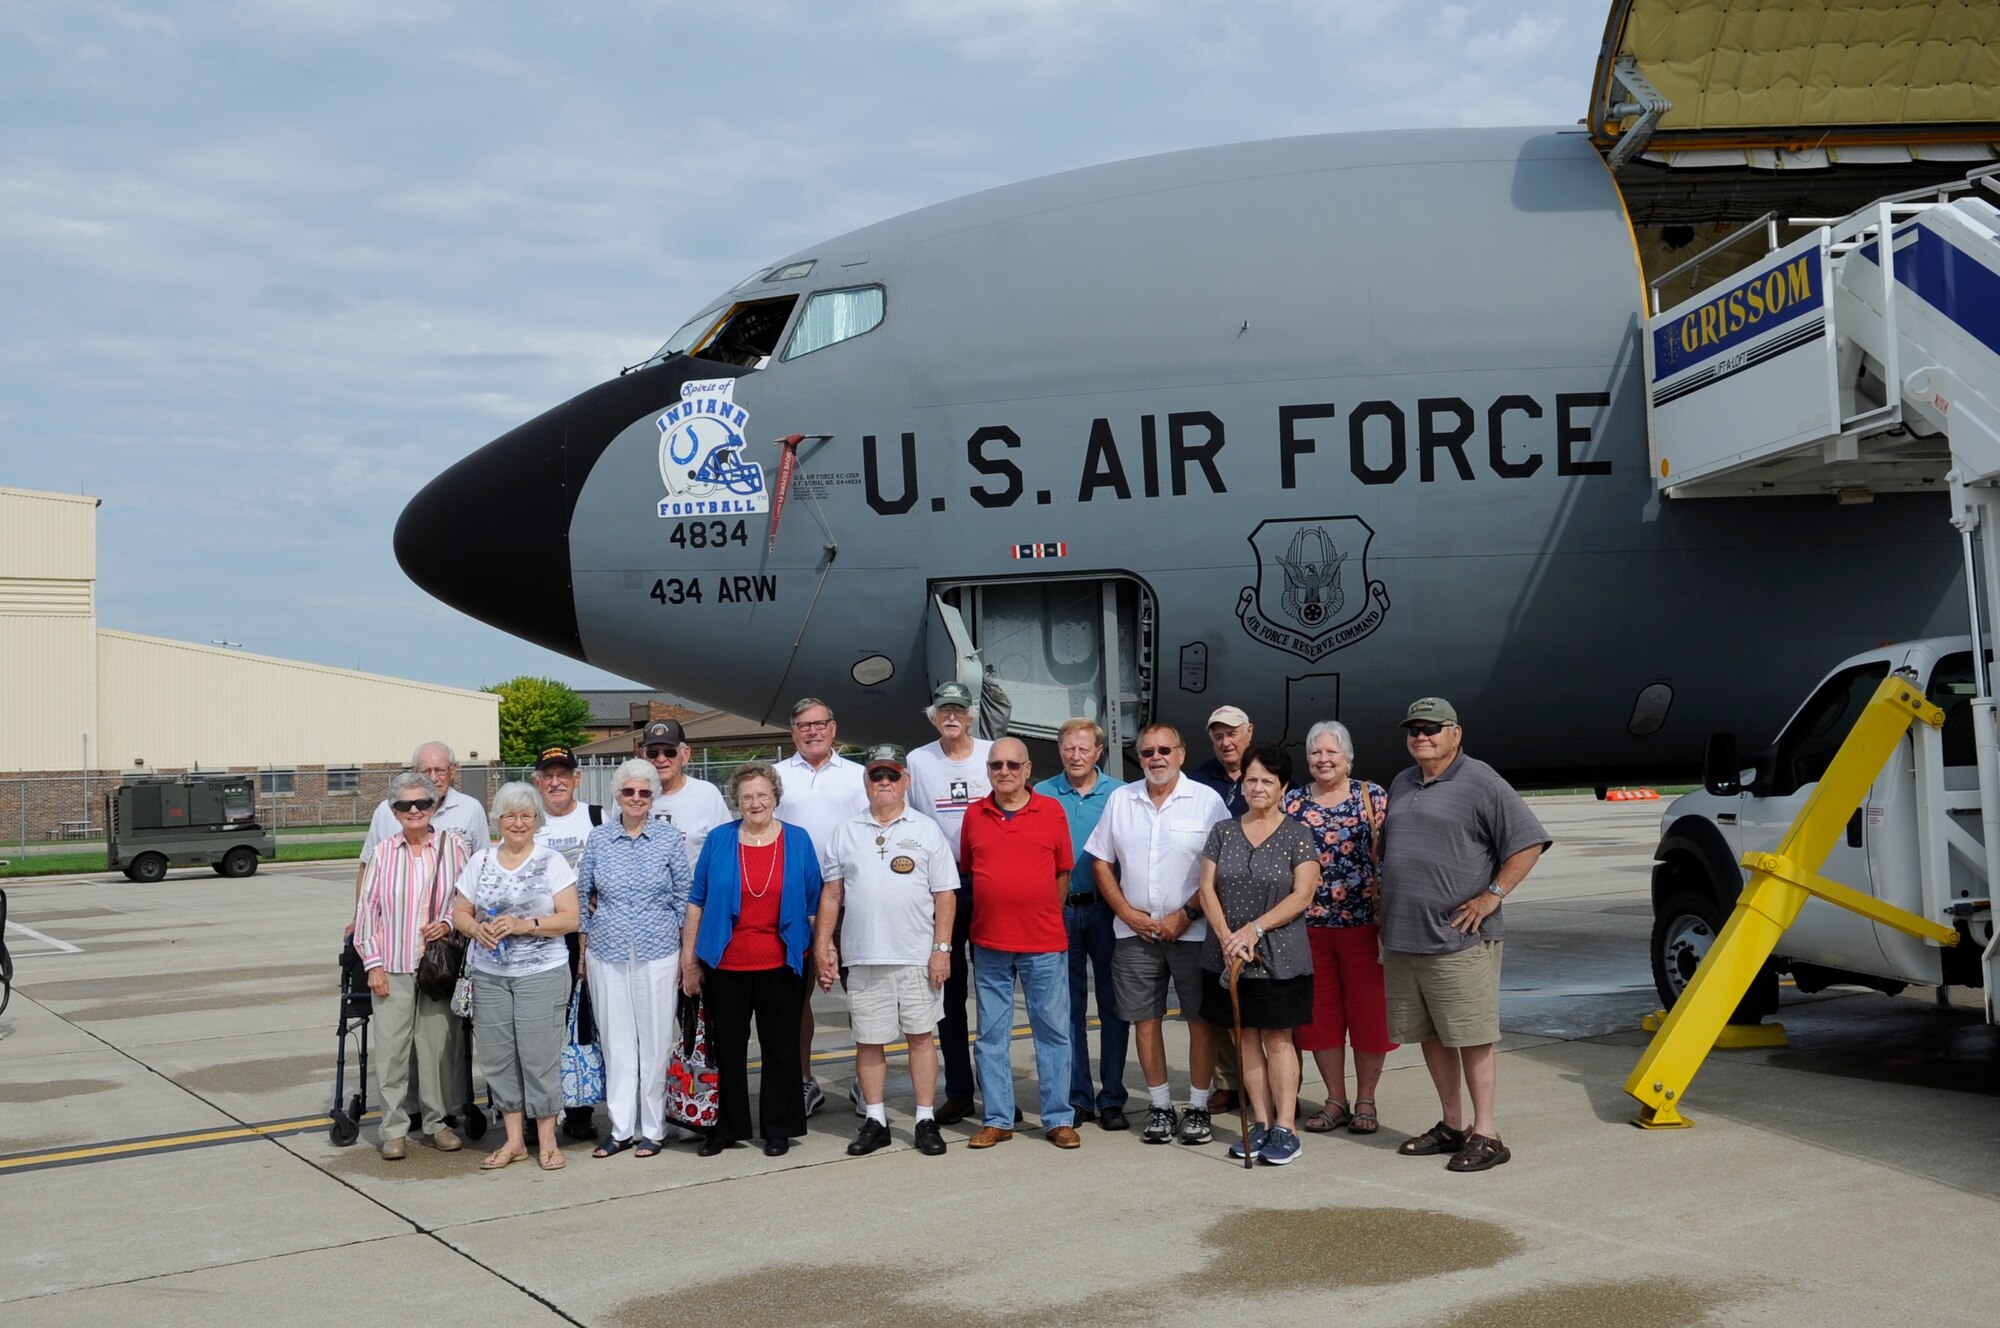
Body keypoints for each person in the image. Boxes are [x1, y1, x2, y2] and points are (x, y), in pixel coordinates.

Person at [1381, 697, 1550, 1174]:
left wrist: (1492, 895)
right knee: (1431, 1036)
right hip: (1405, 937)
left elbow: (1528, 842)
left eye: (1432, 728)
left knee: (1471, 1037)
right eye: (1413, 728)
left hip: (1459, 939)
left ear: (1456, 733)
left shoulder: (1481, 780)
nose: (1421, 736)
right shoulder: (1402, 781)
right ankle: (1452, 1125)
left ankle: (1487, 1132)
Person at [1082, 723, 1229, 1147]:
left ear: (1181, 754)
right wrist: (1127, 913)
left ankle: (1198, 1106)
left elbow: (1218, 869)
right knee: (1145, 1020)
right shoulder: (1121, 800)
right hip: (1135, 933)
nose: (1157, 758)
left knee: (1200, 1021)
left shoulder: (1207, 802)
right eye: (1148, 752)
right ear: (1140, 758)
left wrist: (1186, 914)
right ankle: (1161, 1106)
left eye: (1166, 749)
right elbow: (1100, 863)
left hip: (1193, 931)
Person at [814, 744, 956, 1158]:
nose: (885, 783)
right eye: (877, 775)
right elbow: (831, 895)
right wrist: (824, 945)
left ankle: (925, 1117)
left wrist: (941, 949)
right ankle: (876, 1119)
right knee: (869, 1041)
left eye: (892, 775)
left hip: (916, 955)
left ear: (905, 781)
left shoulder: (926, 829)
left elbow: (945, 895)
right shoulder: (846, 831)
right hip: (864, 955)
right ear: (867, 781)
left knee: (921, 1038)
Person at [680, 762, 824, 1157]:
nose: (755, 802)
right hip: (725, 964)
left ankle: (778, 1127)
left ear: (776, 797)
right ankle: (725, 1127)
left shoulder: (798, 840)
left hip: (781, 963)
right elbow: (697, 902)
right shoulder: (720, 840)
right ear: (736, 802)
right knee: (726, 1048)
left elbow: (814, 904)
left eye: (762, 795)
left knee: (781, 1048)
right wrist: (689, 960)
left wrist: (823, 951)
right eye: (747, 797)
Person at [1196, 742, 1320, 1165]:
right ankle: (1261, 1123)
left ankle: (1286, 1127)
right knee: (1245, 1038)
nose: (1258, 787)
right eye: (1251, 780)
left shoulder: (1297, 835)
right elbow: (1206, 889)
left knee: (1278, 1041)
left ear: (1283, 786)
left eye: (1268, 780)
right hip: (1228, 956)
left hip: (1279, 956)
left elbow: (1303, 894)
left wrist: (1254, 929)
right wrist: (1228, 937)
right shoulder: (1223, 831)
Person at [451, 781, 580, 1171]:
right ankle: (512, 1141)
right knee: (498, 1058)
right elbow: (460, 912)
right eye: (510, 815)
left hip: (541, 972)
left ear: (536, 820)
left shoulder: (551, 860)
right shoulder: (481, 861)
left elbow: (570, 918)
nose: (518, 823)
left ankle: (546, 1140)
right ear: (498, 821)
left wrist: (526, 925)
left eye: (526, 816)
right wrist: (477, 930)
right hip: (490, 974)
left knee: (538, 1057)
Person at [959, 737, 1078, 1149]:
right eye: (996, 766)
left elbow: (1063, 871)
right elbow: (972, 870)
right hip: (990, 943)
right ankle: (997, 1118)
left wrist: (1042, 910)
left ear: (1028, 769)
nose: (1004, 772)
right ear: (987, 771)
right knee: (991, 1036)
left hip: (1043, 943)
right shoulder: (975, 814)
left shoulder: (1051, 811)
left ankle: (1058, 1118)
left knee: (1053, 1032)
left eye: (1013, 765)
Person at [1282, 720, 1396, 1137]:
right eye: (1316, 752)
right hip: (1308, 929)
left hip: (1365, 927)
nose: (1324, 759)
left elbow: (1394, 855)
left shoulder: (1374, 797)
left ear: (1348, 756)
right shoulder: (1291, 803)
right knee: (1321, 1019)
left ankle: (1366, 1099)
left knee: (1369, 1018)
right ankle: (1335, 1099)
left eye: (1332, 752)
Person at [352, 770, 471, 1160]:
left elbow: (468, 900)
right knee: (392, 1051)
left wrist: (450, 923)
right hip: (394, 965)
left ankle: (437, 1124)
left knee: (437, 1049)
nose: (415, 810)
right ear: (395, 810)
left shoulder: (453, 847)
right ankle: (394, 1128)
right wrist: (373, 964)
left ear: (434, 806)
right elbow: (367, 912)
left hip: (438, 967)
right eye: (406, 805)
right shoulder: (384, 852)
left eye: (423, 802)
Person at [577, 759, 692, 1159]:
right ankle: (621, 1127)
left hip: (658, 951)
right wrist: (583, 944)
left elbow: (684, 896)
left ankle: (654, 1128)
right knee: (616, 1042)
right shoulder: (599, 839)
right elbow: (582, 893)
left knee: (656, 1041)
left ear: (653, 796)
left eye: (644, 792)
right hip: (606, 952)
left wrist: (686, 955)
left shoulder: (667, 839)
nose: (637, 799)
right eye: (629, 792)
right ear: (617, 795)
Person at [1033, 718, 1130, 1131]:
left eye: (1083, 749)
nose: (1075, 756)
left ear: (1099, 752)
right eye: (1068, 748)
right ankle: (1077, 1097)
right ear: (1060, 751)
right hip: (1059, 911)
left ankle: (1111, 1097)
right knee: (1067, 1008)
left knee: (1113, 1005)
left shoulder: (1121, 795)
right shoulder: (1041, 793)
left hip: (1107, 910)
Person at [775, 697, 869, 1118]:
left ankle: (867, 1082)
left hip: (850, 902)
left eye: (818, 724)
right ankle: (803, 1080)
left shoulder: (859, 776)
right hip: (791, 904)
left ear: (833, 728)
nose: (811, 731)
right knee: (796, 999)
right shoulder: (775, 777)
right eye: (802, 725)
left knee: (861, 995)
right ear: (793, 732)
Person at [905, 680, 993, 1124]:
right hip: (941, 884)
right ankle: (959, 1090)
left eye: (959, 710)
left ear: (971, 715)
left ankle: (997, 1093)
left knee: (994, 990)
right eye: (944, 711)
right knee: (948, 990)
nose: (952, 717)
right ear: (934, 717)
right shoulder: (918, 761)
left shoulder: (991, 753)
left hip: (990, 880)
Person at [531, 744, 603, 1142]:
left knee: (582, 1025)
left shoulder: (597, 816)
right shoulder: (529, 819)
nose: (556, 782)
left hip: (584, 935)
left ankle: (579, 1108)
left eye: (564, 774)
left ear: (577, 778)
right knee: (541, 1025)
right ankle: (535, 1110)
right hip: (540, 935)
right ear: (537, 782)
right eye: (548, 775)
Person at [1187, 704, 1255, 1109]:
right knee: (1220, 1001)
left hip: (1262, 903)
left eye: (1232, 733)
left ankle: (1275, 1087)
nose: (1226, 742)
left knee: (1264, 1003)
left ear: (1249, 732)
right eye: (1218, 735)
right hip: (1214, 905)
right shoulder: (1199, 780)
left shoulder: (1270, 773)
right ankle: (1230, 1082)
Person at [637, 719, 732, 863]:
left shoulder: (707, 794)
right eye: (652, 753)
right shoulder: (630, 796)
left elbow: (726, 848)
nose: (661, 759)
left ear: (685, 755)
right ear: (643, 755)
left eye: (670, 752)